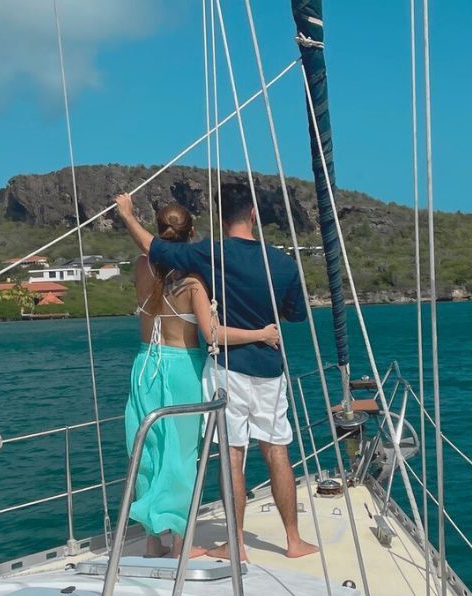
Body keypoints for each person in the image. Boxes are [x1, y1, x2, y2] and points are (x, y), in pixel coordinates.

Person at [115, 186, 319, 561]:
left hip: (220, 369)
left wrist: (127, 214)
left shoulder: (206, 256)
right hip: (268, 369)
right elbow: (295, 314)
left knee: (224, 455)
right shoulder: (285, 264)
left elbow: (155, 250)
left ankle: (234, 544)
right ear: (254, 215)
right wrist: (263, 328)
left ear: (220, 218)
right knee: (276, 450)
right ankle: (293, 540)